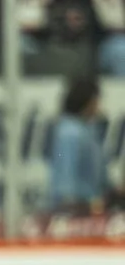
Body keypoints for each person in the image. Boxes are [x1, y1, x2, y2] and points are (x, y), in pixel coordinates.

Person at [45, 77, 110, 217]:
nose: (98, 107)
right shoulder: (69, 133)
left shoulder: (88, 130)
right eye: (96, 102)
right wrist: (72, 204)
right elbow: (66, 176)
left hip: (90, 205)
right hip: (76, 209)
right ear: (87, 102)